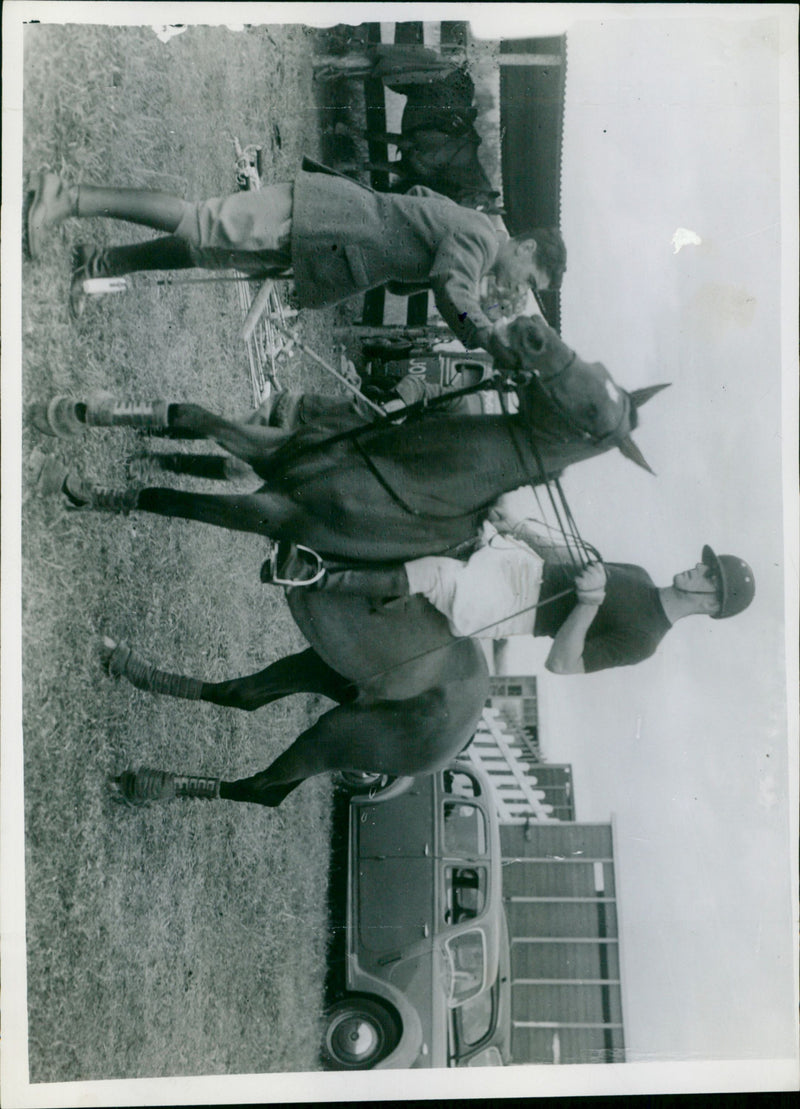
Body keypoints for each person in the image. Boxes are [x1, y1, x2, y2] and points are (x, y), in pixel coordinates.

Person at [23, 161, 566, 358]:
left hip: (322, 236)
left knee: (202, 249)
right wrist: (484, 332)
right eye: (530, 278)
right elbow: (453, 286)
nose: (522, 288)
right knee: (201, 223)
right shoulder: (478, 240)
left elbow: (420, 204)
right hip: (317, 222)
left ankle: (98, 262)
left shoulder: (472, 229)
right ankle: (66, 197)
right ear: (526, 248)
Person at [262, 530, 755, 675]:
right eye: (704, 564)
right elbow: (567, 558)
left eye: (708, 577)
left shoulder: (645, 642)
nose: (697, 569)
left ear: (710, 606)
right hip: (519, 565)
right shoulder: (642, 576)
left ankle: (314, 576)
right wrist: (515, 525)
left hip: (512, 609)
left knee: (437, 574)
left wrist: (587, 606)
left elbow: (563, 664)